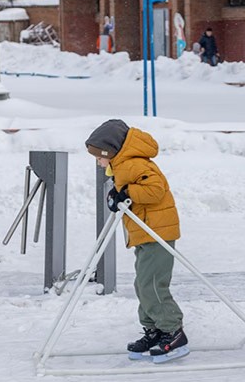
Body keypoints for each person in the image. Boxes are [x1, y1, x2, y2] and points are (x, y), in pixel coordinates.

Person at [85, 119, 189, 364]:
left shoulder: (133, 164)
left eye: (99, 157)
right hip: (145, 232)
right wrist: (118, 193)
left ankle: (173, 332)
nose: (98, 163)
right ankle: (154, 330)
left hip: (157, 232)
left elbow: (156, 190)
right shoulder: (123, 166)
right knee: (142, 284)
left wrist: (127, 193)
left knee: (152, 284)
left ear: (109, 152)